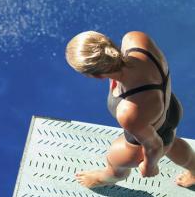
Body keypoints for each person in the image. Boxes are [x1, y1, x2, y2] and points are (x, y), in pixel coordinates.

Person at [65, 30, 195, 188]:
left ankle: (105, 178)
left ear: (96, 76)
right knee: (171, 142)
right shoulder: (136, 39)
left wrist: (149, 166)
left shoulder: (128, 111)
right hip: (170, 110)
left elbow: (154, 145)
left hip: (151, 134)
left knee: (114, 162)